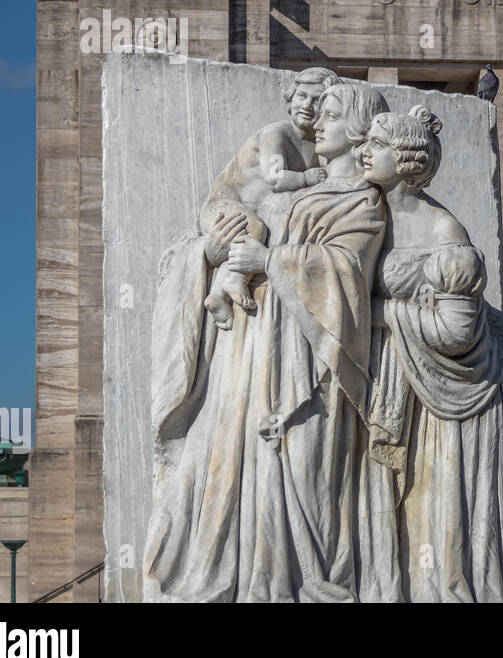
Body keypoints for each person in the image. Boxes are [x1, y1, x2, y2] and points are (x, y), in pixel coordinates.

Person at [144, 81, 389, 602]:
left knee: (306, 479)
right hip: (253, 351)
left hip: (312, 363)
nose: (317, 122)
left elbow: (348, 271)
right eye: (317, 112)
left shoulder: (364, 202)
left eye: (332, 114)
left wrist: (270, 263)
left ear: (359, 131)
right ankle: (254, 579)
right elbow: (229, 232)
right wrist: (216, 257)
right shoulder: (297, 191)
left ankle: (297, 583)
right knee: (238, 470)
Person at [357, 105, 503, 601]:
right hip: (409, 391)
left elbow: (456, 334)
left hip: (465, 407)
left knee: (449, 526)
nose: (365, 152)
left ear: (407, 158)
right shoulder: (369, 217)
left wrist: (377, 313)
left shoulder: (443, 233)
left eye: (378, 145)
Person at [199, 67, 338, 329]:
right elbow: (274, 177)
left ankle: (218, 294)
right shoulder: (276, 133)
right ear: (291, 97)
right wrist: (308, 178)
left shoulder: (318, 145)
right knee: (255, 228)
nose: (307, 105)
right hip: (225, 209)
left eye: (316, 99)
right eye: (301, 96)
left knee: (260, 229)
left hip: (256, 215)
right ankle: (232, 279)